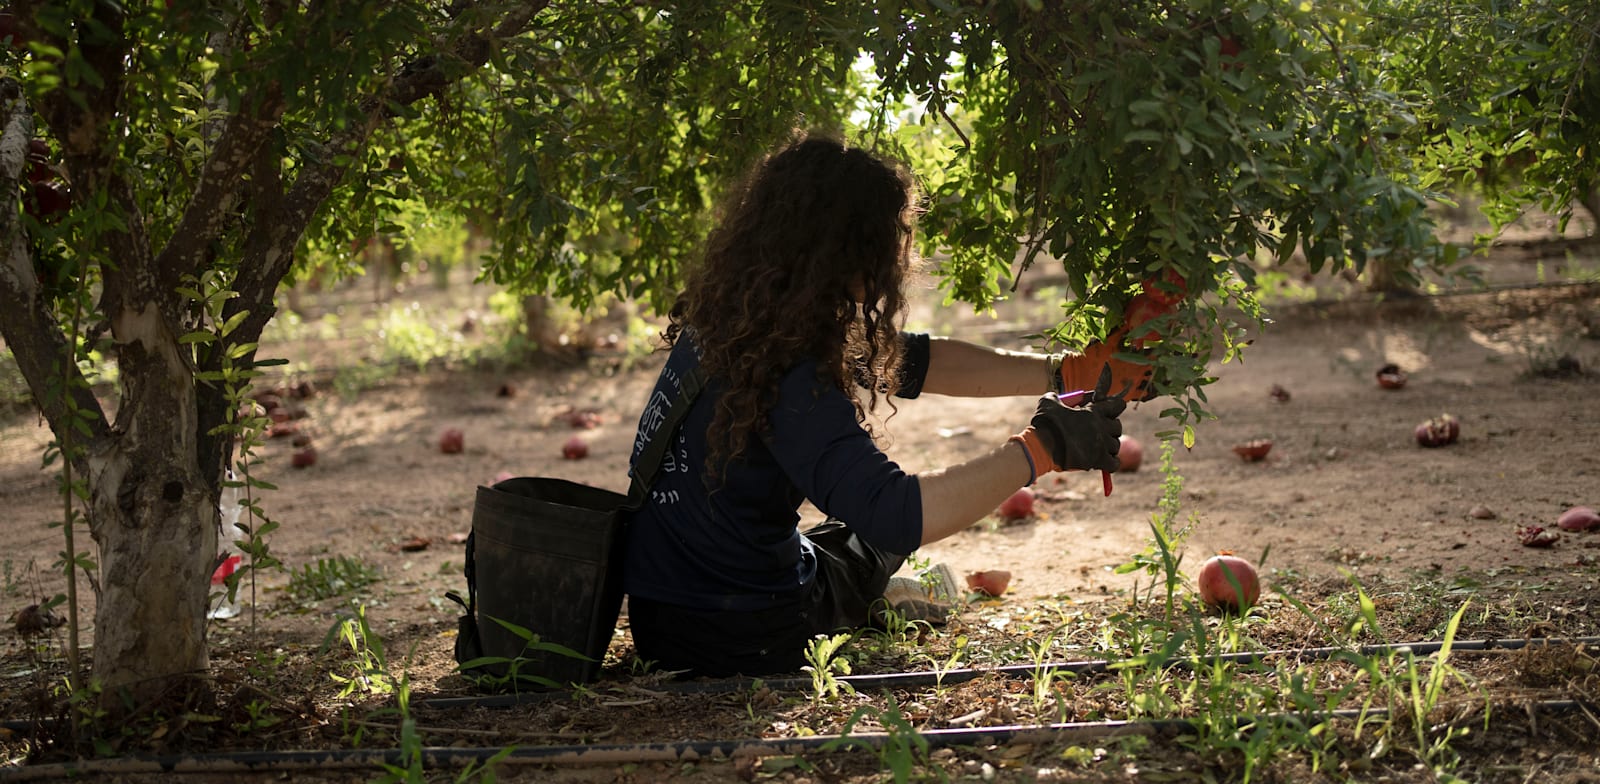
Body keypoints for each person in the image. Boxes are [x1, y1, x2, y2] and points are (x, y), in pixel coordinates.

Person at [621, 131, 1153, 678]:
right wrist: (1046, 448)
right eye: (893, 238)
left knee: (846, 539)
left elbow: (913, 361)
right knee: (874, 540)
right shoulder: (788, 370)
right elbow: (897, 514)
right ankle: (885, 602)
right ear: (851, 247)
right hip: (742, 635)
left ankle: (871, 592)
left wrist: (1069, 373)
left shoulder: (737, 324)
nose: (899, 255)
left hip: (663, 620)